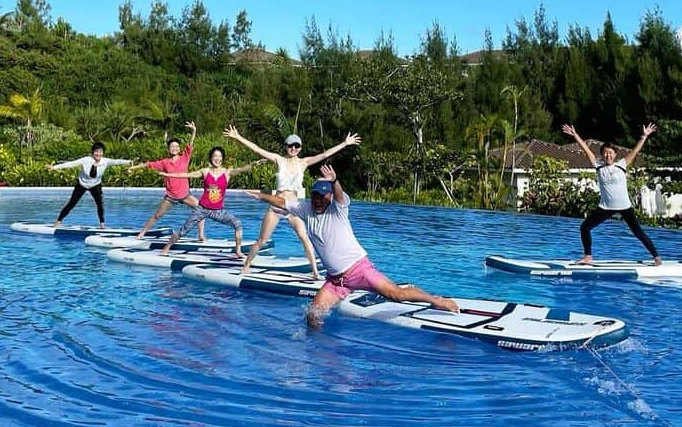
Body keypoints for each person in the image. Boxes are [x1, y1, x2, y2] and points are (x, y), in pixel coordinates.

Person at [251, 164, 459, 328]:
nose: (318, 201)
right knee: (313, 316)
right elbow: (281, 202)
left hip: (359, 269)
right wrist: (261, 195)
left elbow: (340, 195)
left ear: (329, 197)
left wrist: (335, 181)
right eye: (315, 196)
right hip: (336, 281)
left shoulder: (338, 209)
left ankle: (437, 300)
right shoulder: (305, 209)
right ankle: (322, 355)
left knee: (396, 294)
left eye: (323, 197)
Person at [223, 125, 361, 278]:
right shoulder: (278, 159)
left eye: (297, 146)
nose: (293, 148)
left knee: (304, 237)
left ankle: (315, 272)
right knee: (262, 240)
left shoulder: (303, 163)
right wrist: (237, 137)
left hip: (294, 208)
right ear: (286, 147)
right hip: (277, 207)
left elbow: (324, 154)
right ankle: (246, 265)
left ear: (300, 148)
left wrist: (345, 143)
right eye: (291, 145)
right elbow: (256, 148)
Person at [561, 122, 662, 265]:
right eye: (605, 153)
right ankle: (588, 256)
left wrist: (644, 136)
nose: (608, 155)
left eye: (610, 153)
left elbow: (635, 151)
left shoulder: (621, 165)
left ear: (615, 155)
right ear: (602, 155)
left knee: (638, 232)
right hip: (606, 207)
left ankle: (657, 258)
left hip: (624, 206)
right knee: (584, 227)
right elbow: (586, 150)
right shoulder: (598, 166)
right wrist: (575, 135)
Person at [155, 145, 261, 256]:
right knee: (184, 230)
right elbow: (186, 174)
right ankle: (166, 249)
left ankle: (238, 251)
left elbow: (241, 170)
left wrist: (253, 165)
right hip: (202, 209)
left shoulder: (227, 172)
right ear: (211, 158)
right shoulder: (205, 172)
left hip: (218, 211)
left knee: (237, 224)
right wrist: (168, 175)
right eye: (215, 156)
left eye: (220, 156)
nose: (217, 159)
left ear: (222, 159)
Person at [127, 121, 201, 239]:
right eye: (172, 147)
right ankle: (142, 233)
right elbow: (148, 164)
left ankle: (201, 235)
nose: (174, 148)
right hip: (171, 196)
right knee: (157, 215)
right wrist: (134, 168)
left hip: (185, 195)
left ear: (179, 148)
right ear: (168, 149)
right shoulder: (164, 162)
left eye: (176, 147)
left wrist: (194, 131)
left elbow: (191, 144)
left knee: (200, 209)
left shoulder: (184, 158)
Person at [49, 142, 132, 228]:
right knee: (72, 203)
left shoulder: (105, 161)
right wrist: (55, 167)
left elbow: (118, 161)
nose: (98, 154)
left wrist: (130, 162)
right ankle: (58, 221)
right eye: (96, 151)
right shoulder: (86, 160)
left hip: (95, 185)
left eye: (100, 152)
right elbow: (70, 164)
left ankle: (102, 224)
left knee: (100, 204)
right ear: (92, 152)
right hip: (82, 184)